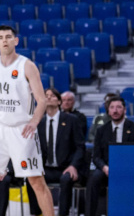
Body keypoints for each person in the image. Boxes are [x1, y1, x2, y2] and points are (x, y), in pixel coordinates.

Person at [0, 25, 54, 216]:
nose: (5, 40)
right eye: (1, 37)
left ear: (15, 41)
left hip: (21, 129)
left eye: (8, 37)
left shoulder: (27, 65)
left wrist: (34, 121)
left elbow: (41, 100)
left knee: (36, 180)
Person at [27, 88, 86, 216]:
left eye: (52, 96)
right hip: (46, 168)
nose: (48, 97)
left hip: (66, 167)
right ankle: (37, 213)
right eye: (46, 95)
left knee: (66, 180)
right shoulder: (38, 122)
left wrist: (73, 166)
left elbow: (80, 147)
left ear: (59, 102)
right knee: (31, 177)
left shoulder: (71, 120)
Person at [86, 97, 134, 216]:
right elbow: (96, 157)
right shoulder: (101, 130)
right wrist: (105, 168)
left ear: (125, 110)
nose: (115, 111)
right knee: (93, 179)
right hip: (106, 169)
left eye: (119, 107)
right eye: (112, 108)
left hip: (130, 169)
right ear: (108, 111)